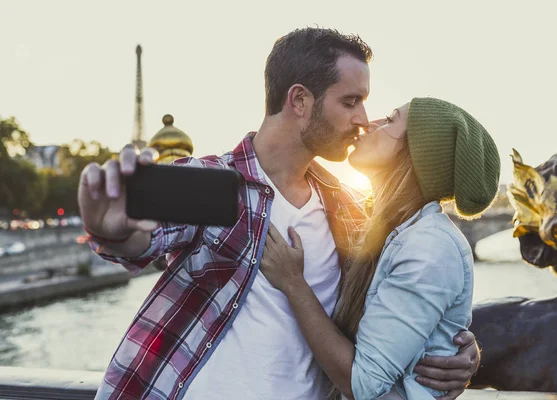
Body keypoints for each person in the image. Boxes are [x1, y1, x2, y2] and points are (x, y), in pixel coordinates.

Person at [79, 28, 480, 400]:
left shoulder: (352, 211)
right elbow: (139, 242)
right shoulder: (211, 181)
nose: (362, 119)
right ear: (301, 100)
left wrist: (463, 353)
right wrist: (108, 229)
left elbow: (395, 316)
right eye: (350, 101)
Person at [260, 98, 500, 399]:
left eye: (389, 120)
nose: (367, 124)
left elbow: (364, 384)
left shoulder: (429, 246)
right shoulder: (368, 223)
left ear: (416, 153)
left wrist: (294, 284)